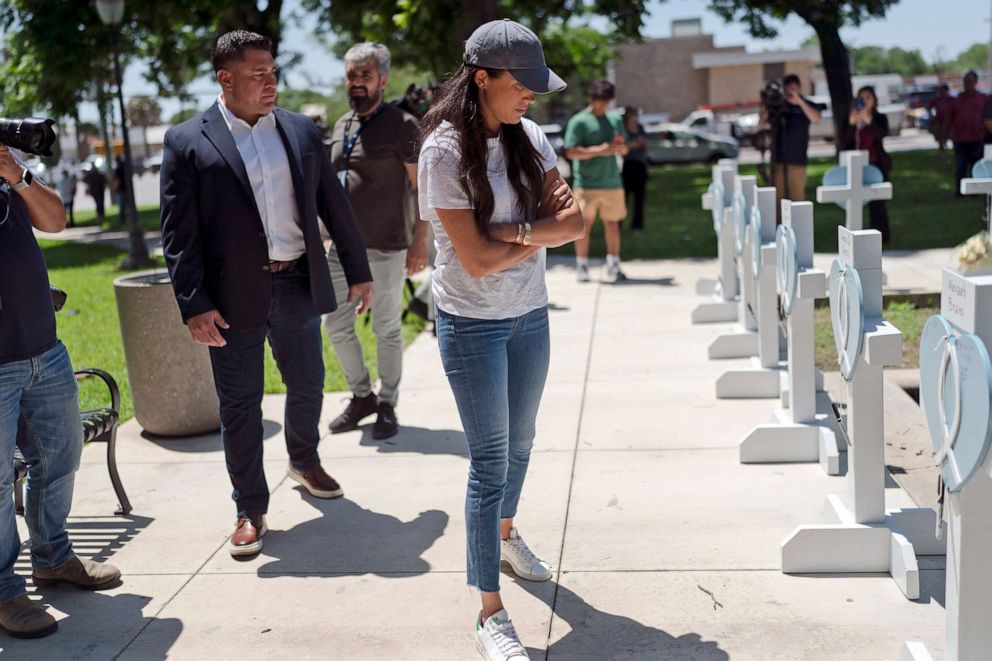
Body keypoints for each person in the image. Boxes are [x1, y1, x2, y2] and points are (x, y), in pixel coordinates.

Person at [160, 30, 374, 559]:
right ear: (225, 78)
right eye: (258, 74)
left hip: (298, 280)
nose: (270, 82)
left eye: (273, 72)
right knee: (240, 404)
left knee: (308, 384)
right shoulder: (187, 140)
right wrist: (193, 303)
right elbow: (177, 233)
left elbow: (334, 206)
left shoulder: (302, 131)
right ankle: (249, 508)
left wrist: (359, 270)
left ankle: (303, 460)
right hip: (231, 297)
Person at [419, 19, 583, 660]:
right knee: (489, 462)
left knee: (523, 443)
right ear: (481, 78)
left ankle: (506, 536)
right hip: (470, 325)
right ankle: (489, 612)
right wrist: (533, 232)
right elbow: (474, 262)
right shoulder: (441, 151)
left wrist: (513, 234)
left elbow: (573, 222)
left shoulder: (530, 134)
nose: (533, 98)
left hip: (530, 315)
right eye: (523, 84)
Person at [0, 144, 121, 639]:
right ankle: (4, 589)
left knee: (61, 456)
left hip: (43, 350)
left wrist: (17, 174)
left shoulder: (7, 177)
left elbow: (55, 220)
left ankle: (52, 556)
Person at [322, 42, 430, 441]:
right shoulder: (342, 124)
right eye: (351, 75)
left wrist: (421, 238)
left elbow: (423, 189)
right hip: (340, 248)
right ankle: (361, 395)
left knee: (386, 326)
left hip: (387, 245)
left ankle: (387, 403)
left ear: (382, 80)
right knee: (335, 324)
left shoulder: (403, 125)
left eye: (364, 75)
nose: (356, 82)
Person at [565, 79, 628, 283]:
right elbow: (571, 152)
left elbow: (624, 149)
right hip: (586, 184)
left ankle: (614, 263)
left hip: (612, 182)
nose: (603, 106)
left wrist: (619, 147)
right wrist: (599, 150)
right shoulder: (579, 121)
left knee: (613, 225)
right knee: (583, 226)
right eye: (600, 101)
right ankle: (582, 265)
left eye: (606, 101)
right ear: (592, 98)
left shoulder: (614, 120)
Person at [762, 73, 822, 213]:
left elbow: (817, 119)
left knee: (797, 199)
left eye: (793, 88)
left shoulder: (807, 105)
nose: (790, 91)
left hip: (797, 160)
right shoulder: (778, 107)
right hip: (778, 160)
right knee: (777, 201)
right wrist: (769, 103)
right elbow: (761, 122)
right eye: (788, 88)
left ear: (799, 88)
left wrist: (799, 102)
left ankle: (797, 231)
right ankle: (778, 230)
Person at [845, 85, 892, 243]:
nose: (864, 101)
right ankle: (853, 234)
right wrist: (851, 123)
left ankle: (880, 235)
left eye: (868, 98)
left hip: (875, 163)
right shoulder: (852, 118)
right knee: (853, 202)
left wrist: (869, 120)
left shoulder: (879, 117)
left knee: (877, 202)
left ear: (874, 101)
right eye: (861, 98)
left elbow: (881, 133)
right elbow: (844, 140)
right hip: (855, 165)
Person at [950, 71, 988, 196]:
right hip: (960, 139)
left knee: (977, 166)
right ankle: (959, 192)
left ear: (975, 82)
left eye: (970, 81)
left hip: (977, 137)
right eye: (965, 81)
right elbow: (950, 118)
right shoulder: (958, 99)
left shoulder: (983, 99)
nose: (967, 84)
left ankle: (975, 192)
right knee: (960, 166)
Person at [621, 106, 649, 234]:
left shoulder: (641, 128)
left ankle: (637, 226)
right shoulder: (623, 129)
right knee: (623, 199)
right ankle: (618, 224)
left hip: (640, 166)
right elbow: (622, 148)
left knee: (639, 199)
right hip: (627, 167)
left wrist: (642, 144)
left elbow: (646, 145)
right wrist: (634, 144)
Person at [927, 83, 953, 156]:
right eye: (940, 91)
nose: (941, 92)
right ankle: (942, 152)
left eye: (943, 90)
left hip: (950, 122)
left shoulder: (951, 100)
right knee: (940, 138)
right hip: (939, 122)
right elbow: (929, 105)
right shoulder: (937, 100)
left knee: (950, 136)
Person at [113, 155, 126, 225]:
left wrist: (115, 189)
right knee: (125, 206)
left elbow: (117, 181)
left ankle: (122, 220)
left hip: (121, 190)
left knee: (121, 207)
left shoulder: (118, 169)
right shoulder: (124, 168)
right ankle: (125, 220)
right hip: (126, 189)